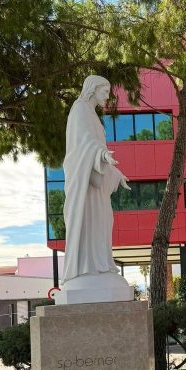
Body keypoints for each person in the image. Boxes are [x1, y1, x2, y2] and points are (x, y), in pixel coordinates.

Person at [62, 75, 131, 283]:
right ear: (92, 89)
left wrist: (115, 173)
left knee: (103, 220)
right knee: (89, 221)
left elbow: (95, 146)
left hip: (96, 180)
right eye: (104, 92)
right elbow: (83, 142)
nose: (107, 97)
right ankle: (86, 268)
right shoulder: (80, 109)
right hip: (84, 182)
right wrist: (101, 154)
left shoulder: (92, 114)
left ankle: (101, 265)